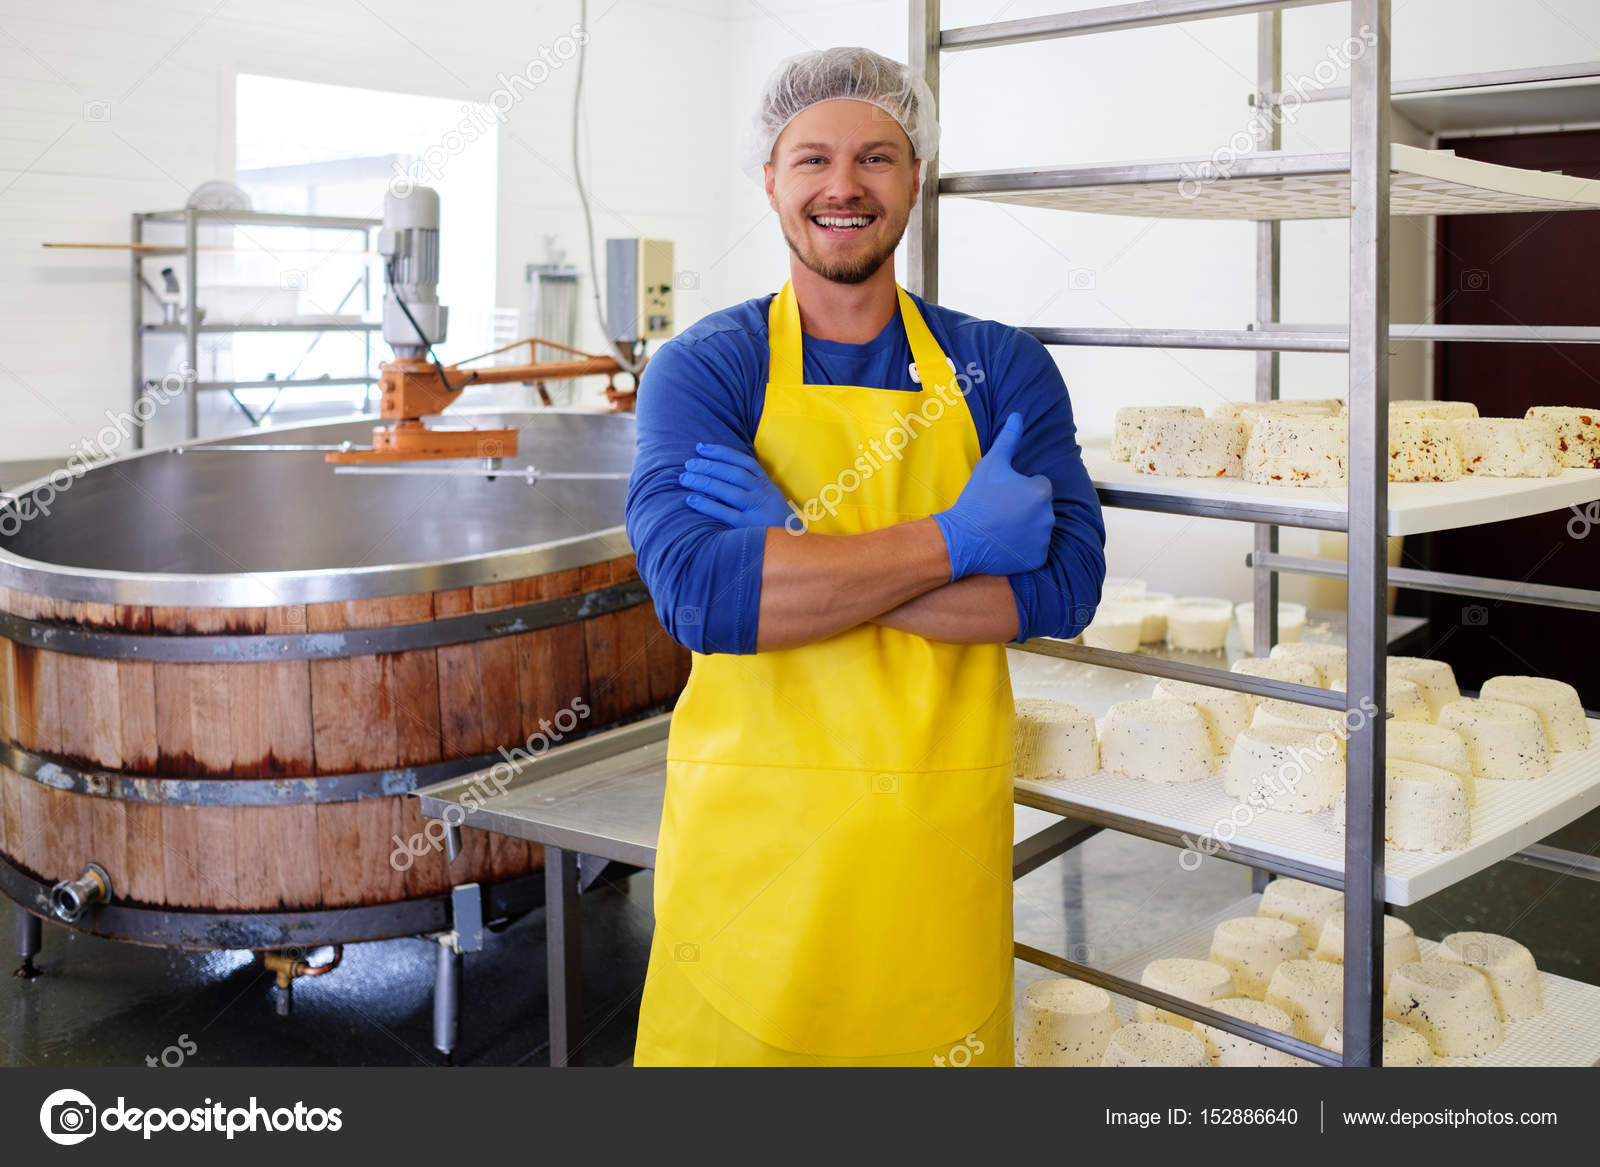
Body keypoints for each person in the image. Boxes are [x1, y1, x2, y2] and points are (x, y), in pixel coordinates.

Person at [624, 45, 1106, 1066]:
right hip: (751, 859)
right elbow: (704, 600)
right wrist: (957, 546)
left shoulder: (997, 367)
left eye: (877, 158)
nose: (843, 187)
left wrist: (794, 554)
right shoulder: (711, 367)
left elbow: (1064, 589)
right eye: (811, 160)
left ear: (914, 178)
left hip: (932, 850)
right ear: (770, 179)